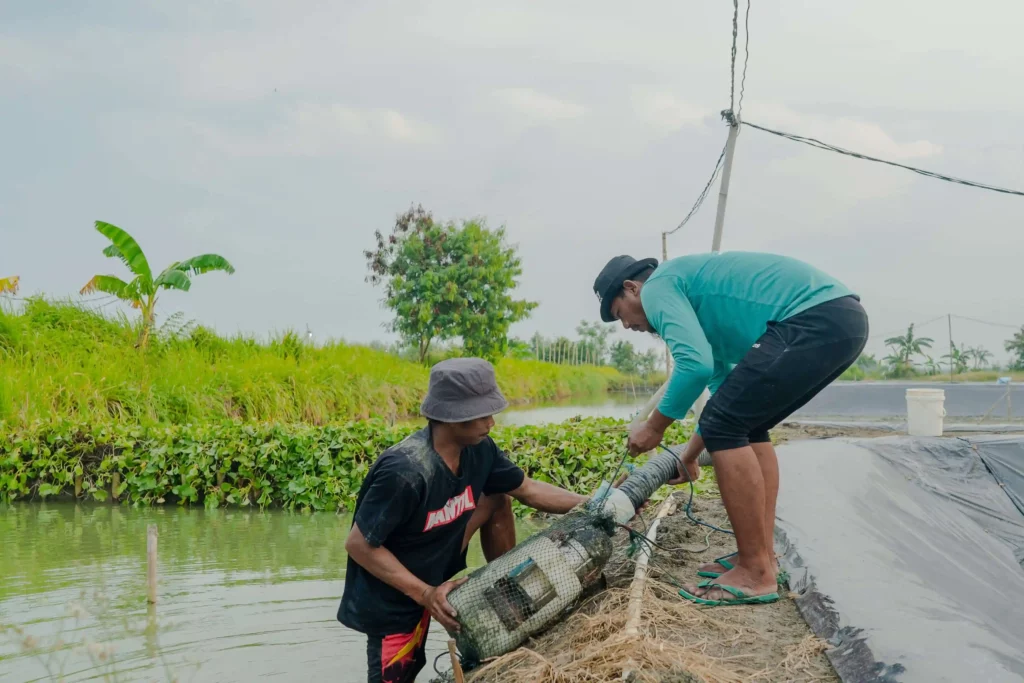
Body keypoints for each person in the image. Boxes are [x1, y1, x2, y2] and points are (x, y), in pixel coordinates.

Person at [593, 251, 868, 606]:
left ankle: (755, 574)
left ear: (632, 288)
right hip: (837, 320)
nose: (627, 326)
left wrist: (653, 427)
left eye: (620, 315)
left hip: (813, 318)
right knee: (747, 424)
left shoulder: (659, 285)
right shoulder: (698, 309)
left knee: (728, 424)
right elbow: (721, 387)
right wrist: (688, 457)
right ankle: (761, 556)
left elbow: (693, 367)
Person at [338, 357, 632, 683]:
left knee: (498, 496)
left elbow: (527, 489)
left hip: (437, 558)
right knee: (400, 673)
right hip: (393, 593)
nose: (491, 422)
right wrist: (424, 594)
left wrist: (594, 505)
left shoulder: (480, 450)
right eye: (483, 414)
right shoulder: (405, 472)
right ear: (452, 417)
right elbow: (358, 544)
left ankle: (505, 588)